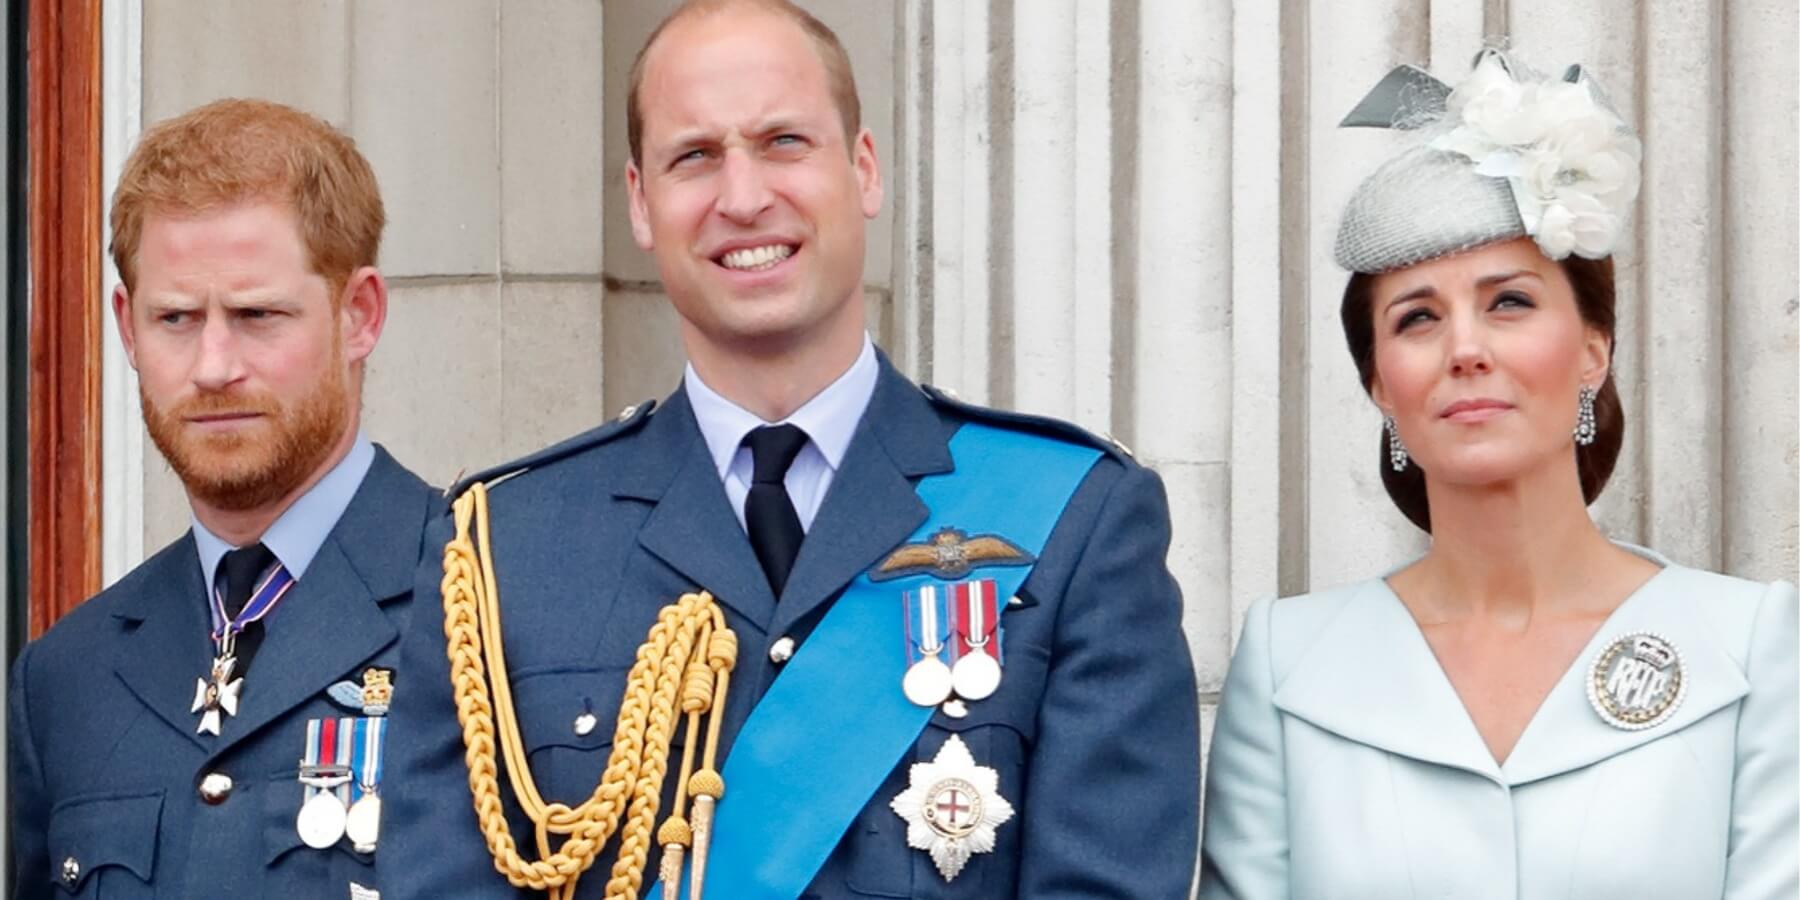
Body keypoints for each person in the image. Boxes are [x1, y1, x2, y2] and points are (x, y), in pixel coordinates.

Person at [379, 1, 1199, 897]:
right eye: (694, 156)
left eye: (783, 142)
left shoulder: (1076, 518)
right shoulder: (504, 547)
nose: (742, 197)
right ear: (641, 204)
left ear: (864, 169)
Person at [1198, 49, 1798, 899]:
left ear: (1594, 349)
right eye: (1417, 319)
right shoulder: (1288, 663)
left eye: (1508, 301)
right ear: (1380, 387)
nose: (1466, 350)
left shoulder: (1753, 646)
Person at [8, 99, 438, 899]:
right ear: (128, 330)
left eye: (254, 315)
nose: (212, 365)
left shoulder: (487, 606)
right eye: (175, 317)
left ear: (360, 315)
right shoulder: (65, 678)